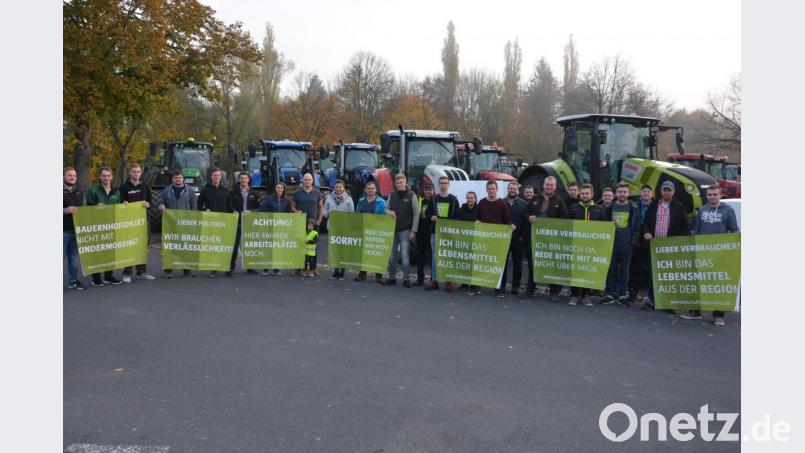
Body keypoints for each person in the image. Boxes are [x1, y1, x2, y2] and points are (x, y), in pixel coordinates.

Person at [681, 185, 740, 326]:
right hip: (703, 252)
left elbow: (735, 231)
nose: (712, 197)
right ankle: (695, 311)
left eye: (714, 194)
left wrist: (732, 248)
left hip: (720, 254)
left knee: (718, 284)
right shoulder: (702, 210)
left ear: (720, 195)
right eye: (709, 195)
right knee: (698, 281)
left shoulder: (728, 210)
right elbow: (698, 232)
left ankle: (718, 315)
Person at [642, 181, 691, 310]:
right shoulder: (653, 205)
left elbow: (685, 228)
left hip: (671, 248)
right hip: (654, 247)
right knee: (653, 274)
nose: (666, 192)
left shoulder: (679, 207)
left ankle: (668, 302)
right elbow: (645, 223)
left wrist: (679, 241)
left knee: (669, 275)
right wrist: (646, 232)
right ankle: (652, 300)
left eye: (669, 190)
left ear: (673, 192)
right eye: (664, 190)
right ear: (661, 191)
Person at [522, 176, 568, 300]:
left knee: (552, 265)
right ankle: (530, 289)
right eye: (547, 184)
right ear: (544, 185)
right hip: (535, 238)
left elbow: (565, 219)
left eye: (551, 185)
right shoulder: (535, 199)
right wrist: (529, 217)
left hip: (552, 239)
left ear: (555, 186)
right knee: (533, 264)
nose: (549, 187)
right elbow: (526, 212)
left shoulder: (560, 201)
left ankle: (554, 292)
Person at [567, 183, 608, 306]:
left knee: (587, 271)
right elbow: (566, 225)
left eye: (587, 193)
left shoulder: (599, 209)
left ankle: (586, 296)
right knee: (575, 270)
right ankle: (574, 295)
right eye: (583, 193)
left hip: (592, 247)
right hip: (576, 245)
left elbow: (605, 227)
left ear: (592, 194)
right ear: (580, 194)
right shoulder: (574, 208)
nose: (584, 196)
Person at [601, 182, 640, 307]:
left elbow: (637, 226)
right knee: (610, 270)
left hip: (626, 244)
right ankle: (610, 294)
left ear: (628, 193)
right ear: (616, 193)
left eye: (624, 192)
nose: (622, 194)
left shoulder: (633, 207)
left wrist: (632, 241)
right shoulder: (609, 208)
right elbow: (604, 224)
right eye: (620, 192)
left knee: (625, 270)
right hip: (611, 244)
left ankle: (623, 294)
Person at [476, 180, 516, 298]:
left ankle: (500, 288)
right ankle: (478, 285)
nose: (491, 191)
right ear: (486, 190)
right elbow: (476, 218)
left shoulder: (502, 203)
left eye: (493, 189)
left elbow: (507, 219)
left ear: (497, 189)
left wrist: (511, 226)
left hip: (498, 240)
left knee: (499, 264)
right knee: (482, 262)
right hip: (484, 239)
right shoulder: (482, 203)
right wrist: (476, 222)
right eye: (489, 189)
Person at [85, 167, 123, 286]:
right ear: (100, 177)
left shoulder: (116, 191)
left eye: (108, 176)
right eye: (104, 176)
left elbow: (119, 207)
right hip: (97, 226)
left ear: (112, 177)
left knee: (110, 251)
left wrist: (124, 205)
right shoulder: (93, 191)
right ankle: (96, 278)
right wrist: (95, 207)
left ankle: (108, 276)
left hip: (112, 226)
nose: (106, 178)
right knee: (97, 251)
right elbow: (86, 209)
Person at [119, 163, 155, 282]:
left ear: (141, 173)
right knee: (129, 245)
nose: (136, 173)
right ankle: (127, 273)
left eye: (138, 171)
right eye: (134, 171)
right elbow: (119, 203)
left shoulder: (145, 186)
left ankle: (142, 271)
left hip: (143, 221)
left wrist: (147, 204)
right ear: (130, 173)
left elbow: (150, 202)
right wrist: (123, 204)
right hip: (128, 222)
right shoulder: (124, 187)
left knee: (142, 246)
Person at [159, 170, 198, 278]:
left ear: (183, 179)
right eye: (176, 178)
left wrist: (192, 220)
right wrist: (161, 206)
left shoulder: (189, 190)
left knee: (185, 246)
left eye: (180, 177)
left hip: (185, 224)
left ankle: (187, 270)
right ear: (172, 179)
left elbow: (194, 206)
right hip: (170, 223)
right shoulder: (167, 190)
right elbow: (161, 202)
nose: (178, 179)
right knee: (170, 247)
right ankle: (168, 270)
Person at [424, 176, 459, 292]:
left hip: (449, 233)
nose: (443, 185)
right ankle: (434, 280)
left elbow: (458, 217)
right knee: (435, 257)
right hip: (435, 232)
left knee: (448, 257)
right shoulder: (434, 199)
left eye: (445, 183)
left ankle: (448, 281)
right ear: (438, 185)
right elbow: (427, 213)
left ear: (448, 185)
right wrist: (431, 216)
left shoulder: (454, 200)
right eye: (441, 183)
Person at [198, 167, 233, 278]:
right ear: (211, 177)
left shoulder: (225, 190)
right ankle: (213, 269)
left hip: (224, 224)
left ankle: (227, 268)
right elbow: (198, 205)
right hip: (211, 224)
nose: (216, 177)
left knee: (224, 247)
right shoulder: (205, 190)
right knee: (213, 247)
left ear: (220, 177)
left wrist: (234, 213)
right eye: (214, 175)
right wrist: (204, 210)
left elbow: (230, 207)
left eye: (218, 175)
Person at [385, 174, 419, 287]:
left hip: (405, 230)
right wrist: (389, 212)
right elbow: (385, 208)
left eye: (401, 182)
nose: (399, 185)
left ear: (405, 183)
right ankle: (391, 278)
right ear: (395, 184)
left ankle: (406, 279)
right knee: (392, 256)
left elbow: (416, 214)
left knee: (405, 256)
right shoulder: (392, 194)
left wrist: (414, 231)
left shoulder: (412, 195)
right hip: (392, 229)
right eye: (397, 183)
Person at [355, 181, 388, 283]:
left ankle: (379, 276)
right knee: (363, 253)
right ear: (365, 190)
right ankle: (362, 274)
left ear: (376, 190)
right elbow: (357, 215)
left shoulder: (382, 202)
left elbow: (385, 217)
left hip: (376, 231)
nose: (370, 190)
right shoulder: (361, 201)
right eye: (368, 189)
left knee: (376, 252)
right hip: (364, 230)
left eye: (372, 188)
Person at [229, 173, 261, 277]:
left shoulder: (254, 194)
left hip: (249, 224)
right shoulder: (233, 193)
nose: (243, 180)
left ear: (248, 180)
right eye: (242, 178)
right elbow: (229, 206)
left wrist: (251, 211)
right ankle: (231, 268)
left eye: (245, 178)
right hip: (236, 223)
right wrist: (233, 211)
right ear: (239, 180)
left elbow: (259, 209)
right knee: (234, 246)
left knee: (249, 246)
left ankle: (250, 267)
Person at [291, 173, 324, 275]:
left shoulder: (317, 193)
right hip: (301, 224)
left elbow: (321, 208)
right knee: (300, 245)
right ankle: (299, 267)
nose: (307, 181)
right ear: (302, 181)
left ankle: (313, 268)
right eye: (305, 180)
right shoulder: (297, 192)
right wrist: (296, 212)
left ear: (312, 181)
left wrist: (319, 220)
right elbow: (292, 206)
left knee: (312, 247)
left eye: (309, 180)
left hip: (313, 225)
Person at [322, 180, 354, 280]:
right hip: (332, 227)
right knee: (334, 250)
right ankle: (336, 272)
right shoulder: (329, 198)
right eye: (336, 187)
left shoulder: (348, 199)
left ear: (344, 188)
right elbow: (324, 212)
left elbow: (352, 214)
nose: (338, 189)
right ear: (334, 188)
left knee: (343, 250)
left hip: (344, 228)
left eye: (340, 187)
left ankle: (342, 272)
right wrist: (329, 212)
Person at [258, 182, 292, 276]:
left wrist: (298, 214)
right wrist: (251, 211)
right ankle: (266, 268)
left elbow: (289, 212)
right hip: (270, 227)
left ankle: (276, 269)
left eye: (281, 188)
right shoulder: (269, 199)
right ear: (275, 189)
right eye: (278, 188)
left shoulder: (286, 200)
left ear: (284, 189)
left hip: (281, 227)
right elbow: (261, 209)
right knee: (269, 248)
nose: (280, 189)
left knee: (278, 248)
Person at [628, 184, 655, 302]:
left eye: (648, 192)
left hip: (651, 237)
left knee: (650, 268)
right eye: (644, 191)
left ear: (652, 194)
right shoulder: (634, 205)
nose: (646, 193)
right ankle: (633, 293)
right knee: (636, 268)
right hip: (637, 238)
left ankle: (651, 296)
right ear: (640, 193)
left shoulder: (656, 205)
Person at [63, 167, 86, 290]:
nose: (72, 177)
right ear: (63, 176)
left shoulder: (79, 191)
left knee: (73, 258)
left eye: (74, 175)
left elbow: (84, 208)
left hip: (75, 230)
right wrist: (65, 210)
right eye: (69, 175)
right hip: (62, 231)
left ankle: (73, 281)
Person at [504, 182, 528, 295]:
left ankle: (516, 286)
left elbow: (525, 222)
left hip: (518, 238)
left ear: (518, 191)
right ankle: (502, 285)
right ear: (507, 189)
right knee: (502, 263)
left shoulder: (524, 204)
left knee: (517, 264)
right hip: (503, 238)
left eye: (514, 189)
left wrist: (522, 237)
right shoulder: (501, 202)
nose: (512, 190)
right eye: (511, 188)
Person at [456, 191, 479, 293]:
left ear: (475, 199)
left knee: (474, 262)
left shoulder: (479, 210)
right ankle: (464, 283)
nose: (470, 200)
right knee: (464, 262)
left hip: (476, 240)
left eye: (472, 198)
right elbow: (456, 222)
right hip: (464, 240)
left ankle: (474, 284)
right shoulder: (461, 210)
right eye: (468, 198)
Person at [413, 182, 435, 286]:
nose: (428, 192)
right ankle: (420, 278)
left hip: (432, 232)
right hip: (421, 232)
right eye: (426, 190)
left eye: (430, 190)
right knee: (420, 255)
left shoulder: (435, 201)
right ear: (424, 191)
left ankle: (433, 278)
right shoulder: (419, 200)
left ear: (433, 191)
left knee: (432, 256)